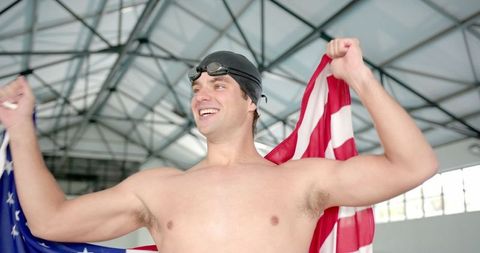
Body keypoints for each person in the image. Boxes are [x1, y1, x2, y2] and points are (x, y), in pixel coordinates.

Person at [0, 38, 437, 252]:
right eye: (196, 88)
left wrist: (360, 77)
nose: (200, 95)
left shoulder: (302, 181)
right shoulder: (156, 188)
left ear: (250, 102)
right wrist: (20, 128)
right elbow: (50, 222)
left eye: (218, 85)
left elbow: (414, 165)